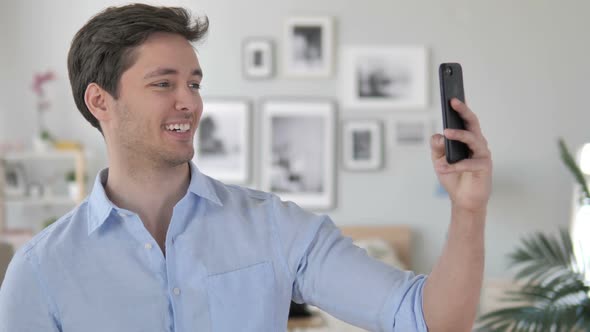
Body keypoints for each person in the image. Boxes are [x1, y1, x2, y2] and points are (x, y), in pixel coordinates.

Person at [0, 4, 492, 332]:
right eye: (163, 84)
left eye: (193, 83)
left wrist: (468, 211)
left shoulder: (275, 227)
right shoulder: (40, 270)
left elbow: (425, 318)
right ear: (99, 101)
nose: (188, 102)